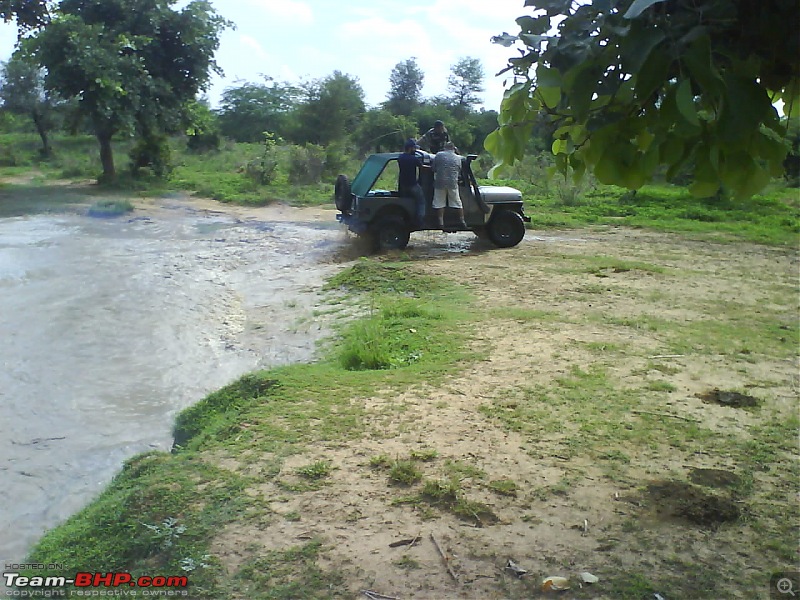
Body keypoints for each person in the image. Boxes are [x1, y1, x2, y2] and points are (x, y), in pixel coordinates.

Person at [432, 141, 467, 230]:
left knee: (439, 202)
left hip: (440, 182)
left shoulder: (439, 155)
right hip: (452, 183)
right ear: (453, 148)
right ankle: (462, 221)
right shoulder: (458, 158)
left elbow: (434, 168)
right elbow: (459, 169)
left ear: (445, 147)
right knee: (457, 202)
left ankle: (441, 222)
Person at [397, 138, 427, 227]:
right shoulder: (414, 159)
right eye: (414, 148)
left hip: (403, 185)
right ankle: (420, 220)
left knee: (407, 201)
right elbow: (422, 167)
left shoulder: (400, 158)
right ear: (410, 148)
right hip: (412, 185)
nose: (415, 150)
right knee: (421, 201)